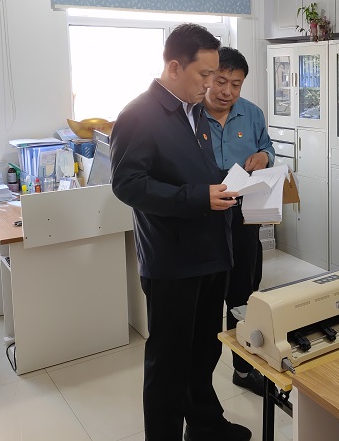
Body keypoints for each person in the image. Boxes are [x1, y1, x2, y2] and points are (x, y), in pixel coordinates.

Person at [110, 24, 251, 441]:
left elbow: (195, 172)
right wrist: (197, 197)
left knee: (205, 350)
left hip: (210, 251)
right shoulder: (138, 115)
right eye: (204, 75)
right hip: (172, 259)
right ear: (174, 67)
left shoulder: (195, 112)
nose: (211, 85)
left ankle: (205, 426)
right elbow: (128, 185)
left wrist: (232, 185)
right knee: (169, 362)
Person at [203, 47, 274, 397]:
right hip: (204, 216)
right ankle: (201, 378)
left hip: (244, 214)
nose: (227, 91)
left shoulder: (252, 114)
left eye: (236, 84)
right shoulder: (190, 114)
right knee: (207, 294)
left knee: (244, 291)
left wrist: (264, 156)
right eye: (221, 81)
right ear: (207, 78)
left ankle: (244, 369)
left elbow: (268, 149)